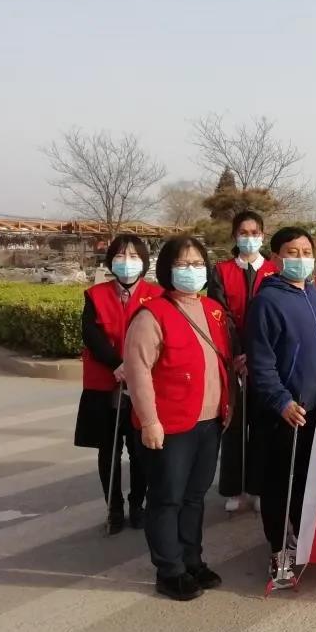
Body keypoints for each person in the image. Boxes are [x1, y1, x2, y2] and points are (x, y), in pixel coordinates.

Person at [125, 236, 231, 601]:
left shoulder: (212, 310)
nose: (192, 270)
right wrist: (149, 421)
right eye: (183, 264)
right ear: (167, 269)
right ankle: (169, 570)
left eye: (198, 263)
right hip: (169, 424)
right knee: (167, 498)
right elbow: (138, 371)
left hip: (209, 421)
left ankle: (192, 560)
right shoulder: (151, 314)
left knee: (194, 497)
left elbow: (219, 359)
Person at [246, 226, 316, 579]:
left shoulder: (315, 295)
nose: (301, 259)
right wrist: (281, 401)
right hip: (283, 412)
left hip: (314, 410)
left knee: (304, 483)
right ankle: (279, 550)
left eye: (306, 252)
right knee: (278, 484)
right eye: (292, 253)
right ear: (276, 258)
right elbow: (261, 363)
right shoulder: (267, 301)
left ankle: (301, 540)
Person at [74, 234, 162, 535]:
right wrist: (117, 364)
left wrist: (135, 367)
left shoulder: (157, 295)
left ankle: (137, 505)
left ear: (144, 261)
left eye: (134, 256)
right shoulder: (95, 295)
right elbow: (91, 334)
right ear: (111, 260)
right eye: (121, 256)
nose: (127, 262)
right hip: (106, 383)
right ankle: (113, 507)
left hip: (142, 385)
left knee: (139, 450)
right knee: (108, 450)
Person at [207, 210, 280, 514]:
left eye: (254, 233)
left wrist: (256, 354)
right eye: (243, 232)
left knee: (262, 426)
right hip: (233, 359)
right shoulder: (221, 270)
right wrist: (237, 353)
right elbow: (218, 314)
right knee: (234, 426)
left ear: (262, 235)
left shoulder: (275, 271)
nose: (249, 238)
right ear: (235, 236)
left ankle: (258, 487)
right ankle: (233, 488)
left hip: (265, 360)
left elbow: (277, 316)